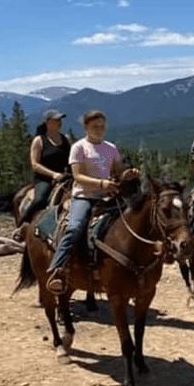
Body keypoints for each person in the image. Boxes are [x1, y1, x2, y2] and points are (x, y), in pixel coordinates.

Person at [45, 110, 140, 295]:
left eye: (102, 126)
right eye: (95, 126)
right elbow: (77, 176)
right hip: (84, 195)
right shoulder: (79, 147)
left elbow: (119, 171)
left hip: (107, 196)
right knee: (74, 227)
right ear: (86, 127)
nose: (99, 130)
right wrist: (102, 183)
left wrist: (128, 174)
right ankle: (58, 268)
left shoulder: (110, 148)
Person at [13, 109, 71, 241]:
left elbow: (72, 160)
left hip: (64, 176)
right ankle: (23, 225)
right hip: (44, 178)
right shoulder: (39, 141)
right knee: (40, 199)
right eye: (56, 120)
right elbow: (35, 164)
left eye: (60, 120)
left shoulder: (66, 139)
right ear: (47, 122)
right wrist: (53, 174)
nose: (59, 122)